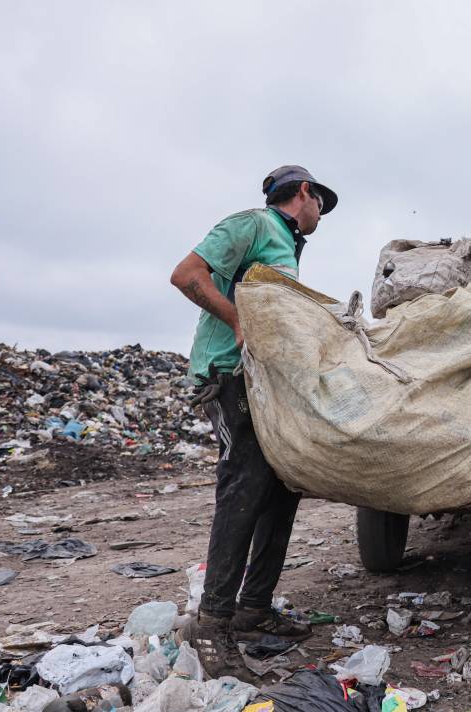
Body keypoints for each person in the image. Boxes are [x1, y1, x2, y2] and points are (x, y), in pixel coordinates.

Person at [169, 165, 338, 681]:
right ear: (303, 192)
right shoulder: (253, 224)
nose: (319, 217)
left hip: (263, 382)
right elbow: (186, 275)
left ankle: (254, 607)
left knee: (282, 486)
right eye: (319, 205)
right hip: (230, 376)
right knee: (243, 489)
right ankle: (213, 626)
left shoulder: (285, 244)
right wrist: (237, 320)